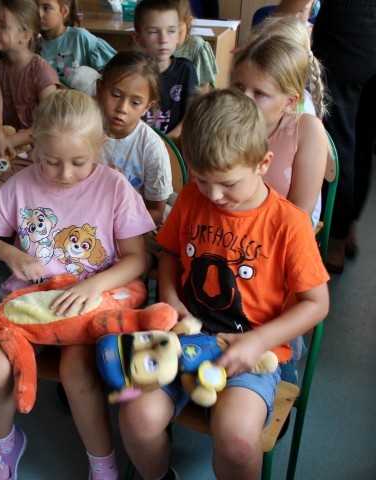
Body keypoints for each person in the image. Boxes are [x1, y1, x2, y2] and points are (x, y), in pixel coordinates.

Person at [119, 89, 330, 480]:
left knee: (238, 441)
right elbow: (170, 253)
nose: (214, 195)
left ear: (263, 163)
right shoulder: (190, 199)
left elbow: (316, 303)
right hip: (182, 338)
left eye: (228, 183)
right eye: (202, 180)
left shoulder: (289, 224)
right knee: (136, 418)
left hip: (252, 350)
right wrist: (170, 298)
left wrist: (258, 341)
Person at [0, 89, 155, 480]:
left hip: (87, 311)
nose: (65, 174)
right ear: (35, 145)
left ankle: (101, 463)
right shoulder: (22, 184)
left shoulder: (114, 187)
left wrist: (94, 286)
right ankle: (4, 446)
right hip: (30, 307)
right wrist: (10, 254)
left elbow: (138, 259)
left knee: (77, 373)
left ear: (100, 146)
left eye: (78, 162)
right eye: (52, 161)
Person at [277, 0, 376, 273]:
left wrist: (270, 26)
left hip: (349, 28)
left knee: (340, 137)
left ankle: (335, 243)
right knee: (364, 137)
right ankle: (348, 228)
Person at [232, 15, 328, 227]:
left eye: (259, 93)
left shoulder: (307, 132)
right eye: (238, 86)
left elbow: (299, 217)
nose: (243, 99)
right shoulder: (223, 120)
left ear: (289, 102)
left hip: (279, 233)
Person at [0, 0, 59, 192]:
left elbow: (50, 122)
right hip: (8, 145)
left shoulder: (40, 70)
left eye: (3, 26)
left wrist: (10, 141)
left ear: (25, 35)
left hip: (40, 149)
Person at [98, 50, 172, 227]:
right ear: (99, 89)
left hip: (131, 228)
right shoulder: (82, 130)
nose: (122, 108)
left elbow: (156, 212)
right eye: (116, 95)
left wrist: (116, 229)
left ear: (147, 107)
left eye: (135, 103)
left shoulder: (152, 148)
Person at [131, 0, 197, 139]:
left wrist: (166, 142)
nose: (163, 39)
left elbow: (191, 116)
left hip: (174, 146)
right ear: (138, 37)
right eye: (154, 32)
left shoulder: (186, 70)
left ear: (178, 35)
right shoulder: (131, 73)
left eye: (171, 31)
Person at [37, 0, 116, 81]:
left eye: (46, 8)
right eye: (35, 7)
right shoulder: (32, 41)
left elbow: (116, 69)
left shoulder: (80, 37)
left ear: (64, 11)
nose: (39, 14)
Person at [173, 0, 218, 91]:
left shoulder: (196, 47)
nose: (165, 39)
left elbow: (203, 89)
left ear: (188, 22)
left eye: (176, 30)